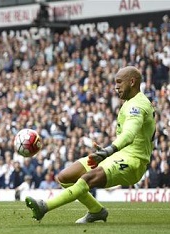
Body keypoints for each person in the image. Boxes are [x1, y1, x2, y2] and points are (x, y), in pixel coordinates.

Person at [25, 66, 156, 223]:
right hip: (118, 155)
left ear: (132, 81)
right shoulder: (130, 102)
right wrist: (108, 151)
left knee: (86, 179)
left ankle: (44, 207)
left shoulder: (138, 105)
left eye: (119, 82)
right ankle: (96, 211)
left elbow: (129, 135)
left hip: (133, 162)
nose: (116, 86)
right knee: (65, 177)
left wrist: (108, 151)